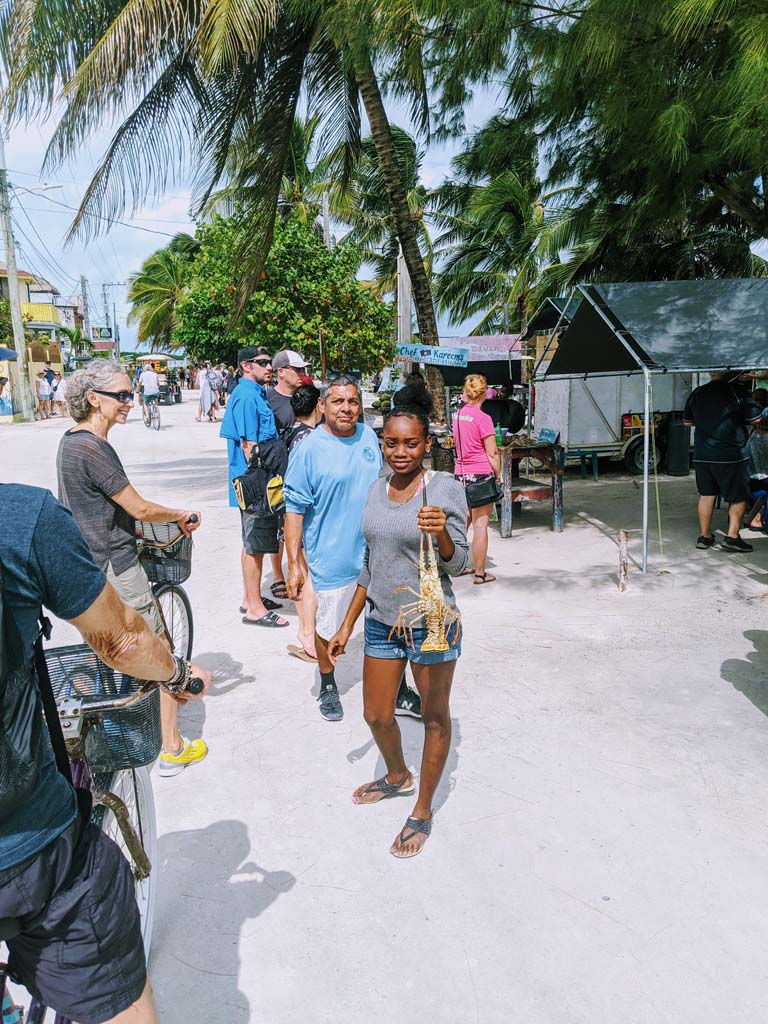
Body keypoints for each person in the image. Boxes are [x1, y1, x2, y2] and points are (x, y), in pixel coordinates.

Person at [0, 480, 212, 1023]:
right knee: (115, 990)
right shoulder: (20, 516)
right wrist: (178, 673)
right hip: (26, 848)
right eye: (119, 393)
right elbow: (121, 640)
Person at [328, 394, 469, 857]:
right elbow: (371, 564)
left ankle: (422, 809)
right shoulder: (377, 488)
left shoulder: (443, 487)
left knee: (433, 717)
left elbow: (463, 564)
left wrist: (442, 532)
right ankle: (397, 775)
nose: (401, 452)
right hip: (381, 621)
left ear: (427, 444)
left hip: (431, 621)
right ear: (382, 445)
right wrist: (347, 624)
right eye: (391, 443)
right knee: (375, 713)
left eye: (411, 444)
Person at [56, 359, 208, 777]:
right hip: (117, 565)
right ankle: (173, 747)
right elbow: (136, 506)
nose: (129, 402)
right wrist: (178, 514)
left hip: (90, 563)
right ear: (93, 399)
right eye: (121, 396)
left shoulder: (70, 443)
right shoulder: (93, 446)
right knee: (158, 652)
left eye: (130, 394)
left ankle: (115, 731)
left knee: (107, 650)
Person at [220, 345, 288, 627]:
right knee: (254, 545)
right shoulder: (247, 396)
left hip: (255, 482)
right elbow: (249, 446)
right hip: (254, 483)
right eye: (262, 362)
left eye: (268, 362)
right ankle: (255, 609)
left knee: (253, 543)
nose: (268, 367)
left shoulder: (255, 393)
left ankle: (251, 598)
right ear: (246, 366)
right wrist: (263, 485)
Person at [684, 371, 767, 552]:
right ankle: (732, 537)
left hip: (702, 454)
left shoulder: (697, 393)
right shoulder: (737, 392)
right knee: (738, 497)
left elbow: (688, 423)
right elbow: (756, 419)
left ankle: (704, 537)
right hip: (731, 455)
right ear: (731, 373)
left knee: (706, 494)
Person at [283, 384, 323, 662]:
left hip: (292, 513)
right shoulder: (310, 440)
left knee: (303, 573)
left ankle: (306, 631)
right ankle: (307, 635)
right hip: (304, 517)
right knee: (306, 577)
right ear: (319, 405)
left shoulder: (291, 432)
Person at [453, 373, 501, 584]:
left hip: (460, 474)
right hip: (480, 474)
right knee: (481, 525)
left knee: (461, 522)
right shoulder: (484, 419)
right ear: (484, 394)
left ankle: (455, 564)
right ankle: (480, 573)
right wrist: (498, 476)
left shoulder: (458, 415)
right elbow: (492, 453)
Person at [267, 349, 306, 434]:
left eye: (303, 369)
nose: (302, 373)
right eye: (298, 369)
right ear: (281, 372)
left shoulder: (307, 398)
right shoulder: (266, 400)